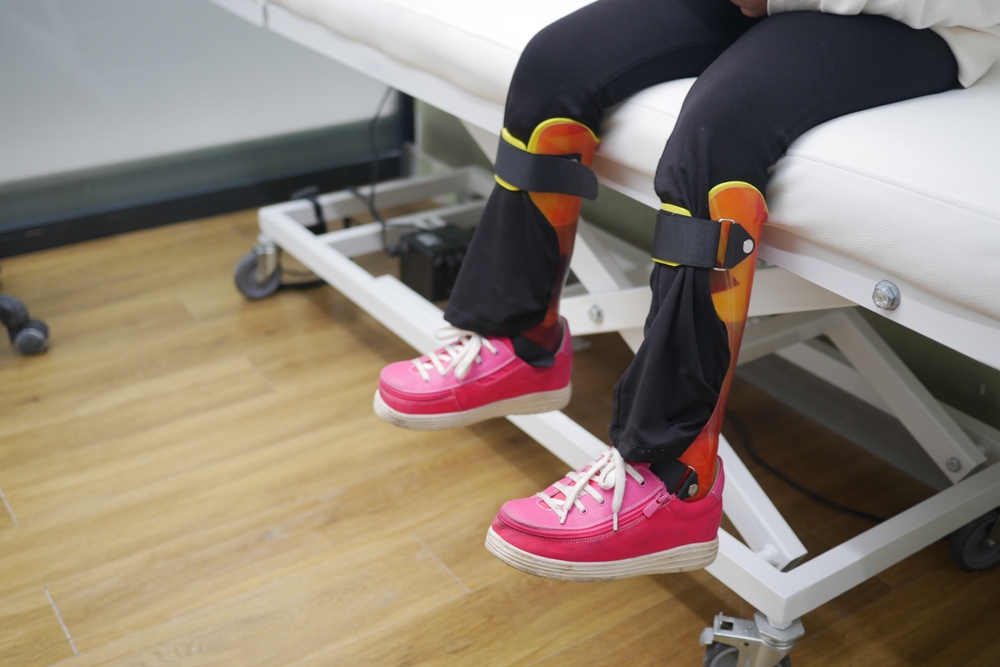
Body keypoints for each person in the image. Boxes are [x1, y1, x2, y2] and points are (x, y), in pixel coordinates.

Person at [373, 0, 1000, 581]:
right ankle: (520, 338)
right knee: (553, 65)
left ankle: (673, 478)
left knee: (716, 132)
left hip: (909, 17)